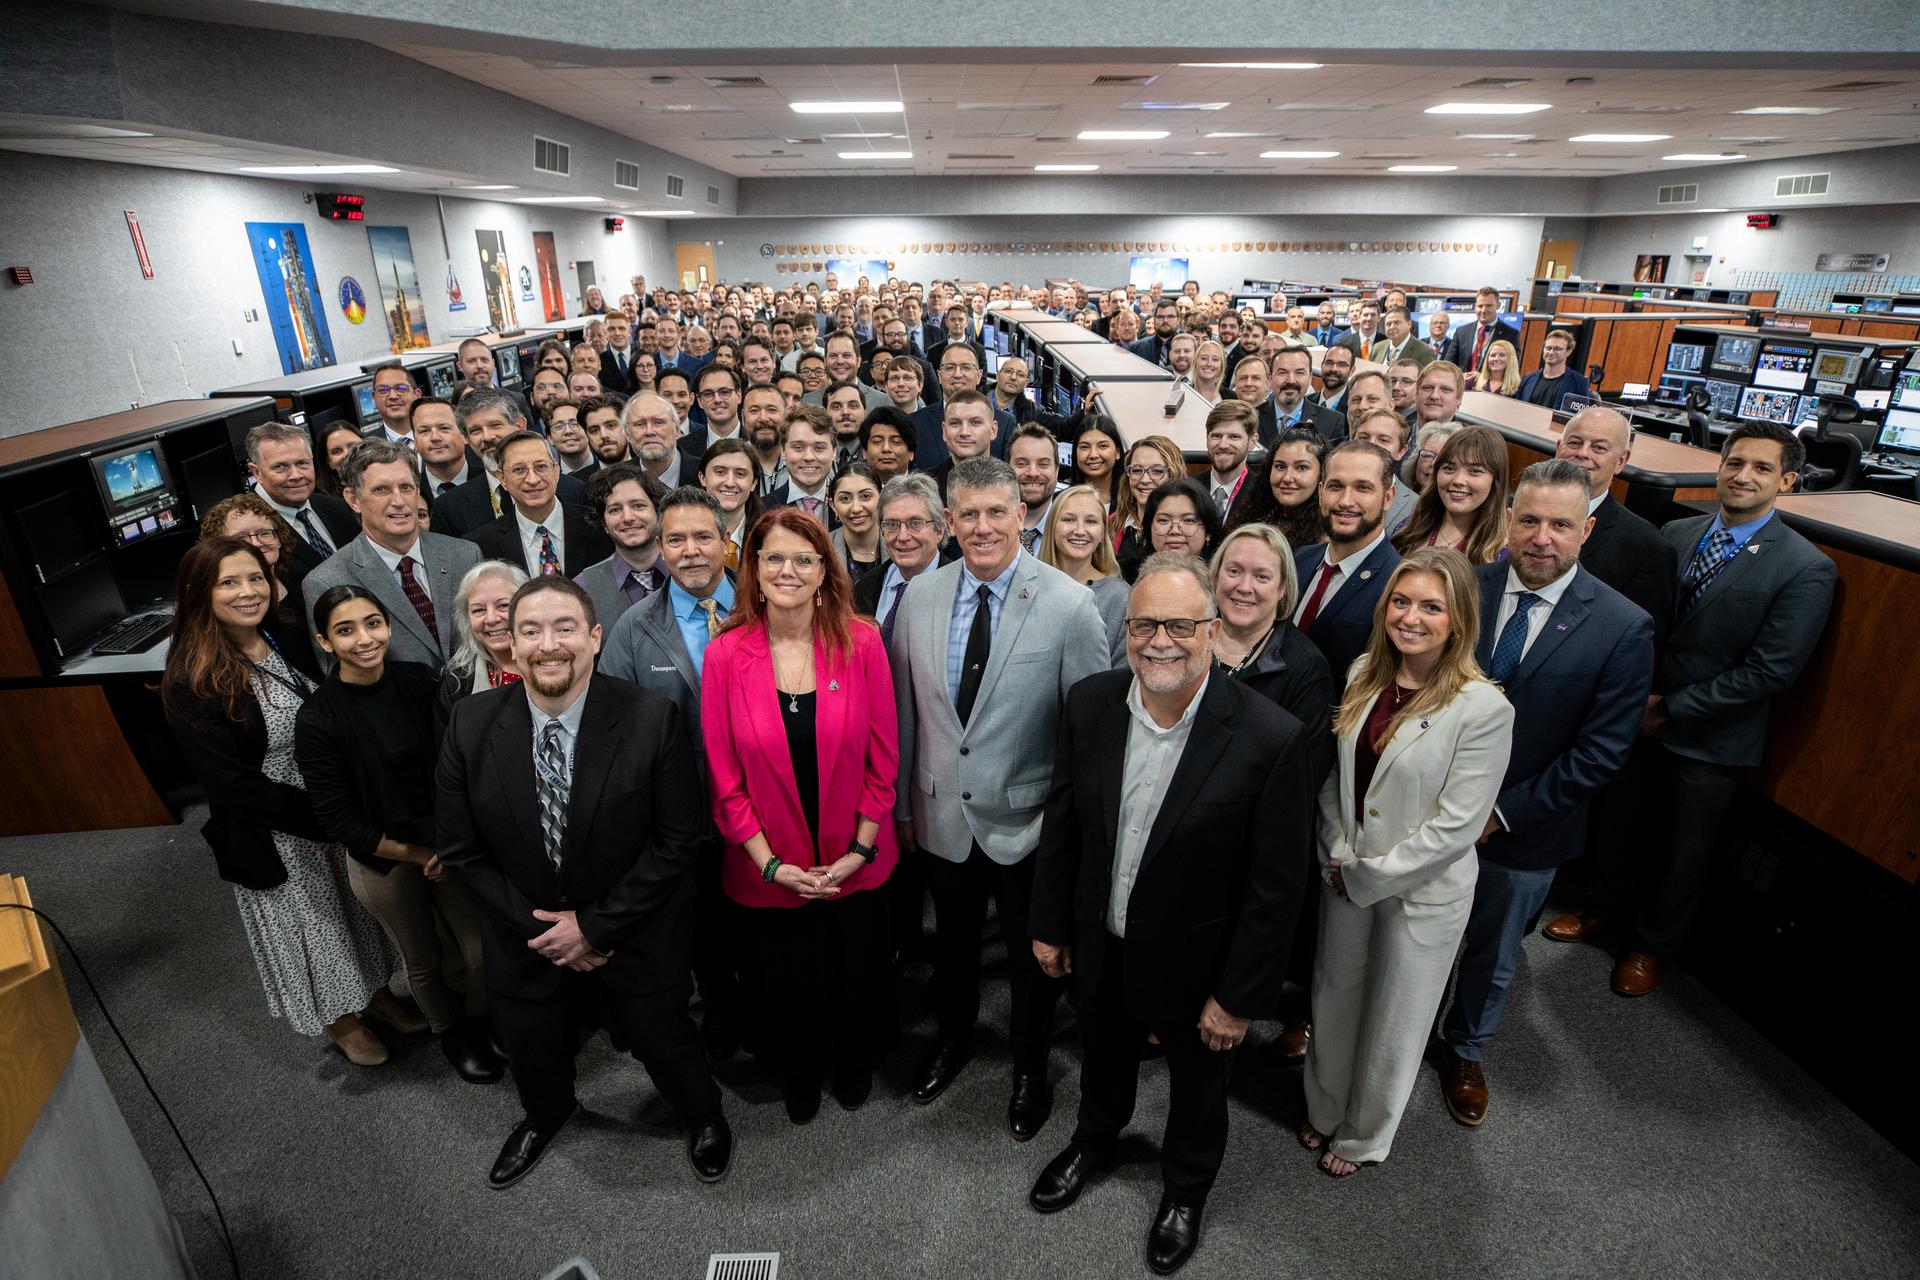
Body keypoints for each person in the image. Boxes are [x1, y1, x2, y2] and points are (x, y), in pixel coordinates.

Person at [1027, 552, 1313, 1276]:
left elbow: (1274, 891)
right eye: (1146, 624)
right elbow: (1063, 826)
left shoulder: (1270, 738)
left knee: (1197, 1089)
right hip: (1103, 941)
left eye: (1181, 625)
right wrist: (1050, 924)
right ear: (1125, 629)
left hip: (1199, 970)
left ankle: (1185, 1190)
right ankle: (1095, 1139)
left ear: (1213, 631)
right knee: (1104, 1056)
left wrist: (1240, 997)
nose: (1162, 640)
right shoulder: (1091, 703)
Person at [435, 577, 733, 1189]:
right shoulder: (469, 724)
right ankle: (547, 1116)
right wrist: (548, 934)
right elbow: (463, 853)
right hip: (528, 941)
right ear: (510, 646)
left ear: (595, 637)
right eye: (531, 631)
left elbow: (679, 840)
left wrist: (594, 927)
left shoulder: (651, 718)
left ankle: (703, 1116)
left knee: (667, 1042)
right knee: (532, 1050)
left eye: (565, 628)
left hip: (634, 935)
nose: (549, 645)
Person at [1545, 423, 1836, 996]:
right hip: (1637, 716)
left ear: (1788, 481)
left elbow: (1771, 670)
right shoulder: (1677, 532)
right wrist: (1636, 702)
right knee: (1621, 824)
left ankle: (1651, 947)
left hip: (1711, 736)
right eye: (1735, 463)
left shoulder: (1804, 566)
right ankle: (1603, 910)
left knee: (1685, 851)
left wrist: (1671, 708)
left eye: (1761, 468)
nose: (1743, 476)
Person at [889, 457, 1107, 1139]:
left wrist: (1077, 836)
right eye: (968, 515)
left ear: (1021, 515)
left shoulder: (1071, 605)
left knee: (1030, 961)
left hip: (1030, 825)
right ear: (947, 523)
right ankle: (953, 1038)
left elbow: (1089, 732)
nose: (982, 527)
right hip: (940, 816)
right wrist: (901, 806)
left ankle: (1029, 1069)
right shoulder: (920, 596)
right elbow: (904, 713)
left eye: (996, 512)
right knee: (951, 948)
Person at [1434, 460, 1655, 1124]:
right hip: (1433, 809)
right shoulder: (1462, 588)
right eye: (1528, 520)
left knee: (1493, 949)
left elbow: (1602, 752)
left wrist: (1501, 813)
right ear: (1507, 521)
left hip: (1527, 831)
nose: (1541, 537)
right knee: (1416, 937)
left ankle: (1465, 1050)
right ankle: (1399, 1033)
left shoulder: (1622, 626)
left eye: (1561, 524)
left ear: (1586, 530)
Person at [1300, 547, 1514, 1176]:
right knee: (1335, 997)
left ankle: (1365, 1136)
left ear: (1458, 620)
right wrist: (1337, 848)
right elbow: (1337, 781)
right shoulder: (1365, 670)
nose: (1410, 617)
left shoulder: (1483, 709)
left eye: (1430, 606)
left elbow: (1456, 826)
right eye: (1401, 601)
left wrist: (1367, 873)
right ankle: (1324, 1107)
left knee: (1395, 1019)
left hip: (1419, 891)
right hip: (1345, 871)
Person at [163, 538, 406, 1067]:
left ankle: (377, 996)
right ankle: (341, 1020)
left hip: (328, 805)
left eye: (254, 578)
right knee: (313, 926)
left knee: (354, 915)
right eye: (228, 582)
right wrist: (325, 821)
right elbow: (232, 786)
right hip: (275, 827)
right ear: (199, 593)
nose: (248, 592)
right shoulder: (194, 678)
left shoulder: (285, 633)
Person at [699, 510, 900, 1122]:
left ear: (824, 573)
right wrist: (771, 867)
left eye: (804, 559)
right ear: (753, 572)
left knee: (855, 972)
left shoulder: (861, 641)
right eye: (774, 559)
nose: (788, 570)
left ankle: (854, 1061)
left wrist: (858, 852)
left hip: (857, 859)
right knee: (785, 982)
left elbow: (883, 759)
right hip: (768, 869)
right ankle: (799, 1071)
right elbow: (725, 781)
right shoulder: (726, 656)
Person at [294, 584, 504, 1083]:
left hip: (444, 836)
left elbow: (453, 765)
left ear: (388, 627)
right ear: (324, 642)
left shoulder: (418, 680)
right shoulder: (318, 718)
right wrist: (419, 855)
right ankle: (446, 1029)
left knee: (477, 949)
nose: (364, 639)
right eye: (345, 630)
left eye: (373, 623)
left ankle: (477, 1019)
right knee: (423, 958)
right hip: (380, 851)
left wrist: (451, 842)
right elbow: (340, 821)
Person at [597, 485, 744, 1057]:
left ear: (725, 541)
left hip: (764, 807)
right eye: (675, 539)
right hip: (687, 819)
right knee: (706, 929)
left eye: (703, 536)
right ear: (660, 547)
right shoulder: (634, 629)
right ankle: (723, 1012)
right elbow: (617, 737)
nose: (690, 551)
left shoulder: (763, 608)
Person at [303, 440, 482, 673]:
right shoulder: (326, 581)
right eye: (382, 490)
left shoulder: (465, 555)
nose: (398, 501)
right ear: (353, 499)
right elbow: (342, 679)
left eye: (406, 487)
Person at [1554, 406, 1678, 646]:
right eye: (1575, 442)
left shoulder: (1648, 549)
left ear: (1621, 461)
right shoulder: (1513, 511)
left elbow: (1640, 646)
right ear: (1559, 447)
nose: (1583, 453)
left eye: (1599, 447)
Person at [1293, 441, 1403, 683]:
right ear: (1321, 492)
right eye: (1335, 486)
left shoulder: (1397, 582)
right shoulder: (1300, 558)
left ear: (1388, 497)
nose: (1345, 500)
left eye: (1362, 488)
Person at [198, 493, 323, 682]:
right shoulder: (232, 605)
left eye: (264, 533)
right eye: (242, 537)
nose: (256, 543)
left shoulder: (305, 579)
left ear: (279, 539)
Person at [466, 433, 612, 579]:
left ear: (556, 471)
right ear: (502, 478)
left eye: (541, 466)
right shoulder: (481, 545)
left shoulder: (598, 524)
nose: (532, 479)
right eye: (519, 470)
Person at [246, 422, 360, 580]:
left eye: (302, 463)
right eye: (280, 467)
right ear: (256, 472)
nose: (296, 475)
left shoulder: (338, 507)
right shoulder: (244, 530)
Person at [1037, 483, 1128, 665]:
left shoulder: (1121, 597)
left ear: (1103, 532)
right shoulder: (1028, 588)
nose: (1079, 530)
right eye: (1069, 519)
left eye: (1091, 521)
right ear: (1052, 527)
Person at [1390, 425, 1510, 563]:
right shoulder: (1408, 529)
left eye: (1474, 471)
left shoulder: (1502, 552)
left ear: (1496, 479)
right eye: (1449, 468)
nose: (1458, 480)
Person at [574, 462, 668, 627]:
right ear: (604, 524)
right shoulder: (582, 589)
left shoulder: (688, 571)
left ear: (658, 512)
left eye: (638, 505)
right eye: (615, 510)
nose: (628, 517)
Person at [437, 560, 529, 726]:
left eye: (503, 605)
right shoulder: (456, 685)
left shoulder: (554, 664)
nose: (492, 619)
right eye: (479, 610)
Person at [1224, 429, 1328, 552]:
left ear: (1322, 474)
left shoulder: (1327, 536)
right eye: (1280, 466)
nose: (1287, 478)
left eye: (1301, 467)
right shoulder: (1251, 516)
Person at [1112, 436, 1184, 580]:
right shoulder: (1109, 525)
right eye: (1137, 470)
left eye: (1157, 471)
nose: (1145, 480)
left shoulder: (1185, 530)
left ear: (1173, 474)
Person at [699, 438, 764, 571]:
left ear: (754, 483)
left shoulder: (768, 534)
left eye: (740, 474)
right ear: (703, 478)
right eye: (720, 472)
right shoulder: (685, 533)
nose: (730, 482)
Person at [1141, 478, 1223, 572]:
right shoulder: (1128, 581)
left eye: (1188, 520)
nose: (1175, 531)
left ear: (1208, 532)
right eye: (1163, 520)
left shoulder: (1222, 581)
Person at [1442, 289, 1521, 374]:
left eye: (1488, 306)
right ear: (1475, 306)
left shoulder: (1511, 334)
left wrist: (1482, 377)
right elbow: (1448, 364)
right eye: (1480, 306)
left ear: (1498, 305)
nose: (1483, 310)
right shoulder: (1461, 332)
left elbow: (1512, 368)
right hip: (1462, 384)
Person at [829, 462, 886, 575]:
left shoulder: (899, 543)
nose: (856, 508)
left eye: (866, 496)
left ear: (882, 498)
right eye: (845, 498)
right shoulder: (821, 549)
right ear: (833, 506)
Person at [1517, 329, 1593, 411]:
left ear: (1568, 351)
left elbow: (1582, 415)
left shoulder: (1580, 382)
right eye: (1548, 348)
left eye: (1557, 349)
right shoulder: (1528, 379)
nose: (1551, 352)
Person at [1201, 401, 1255, 517]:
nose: (1223, 445)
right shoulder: (1187, 489)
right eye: (1216, 436)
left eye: (1234, 437)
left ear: (1252, 442)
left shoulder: (1263, 493)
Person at [1073, 418, 1126, 511]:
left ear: (1117, 452)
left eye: (1103, 446)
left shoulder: (1132, 502)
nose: (1093, 455)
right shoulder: (1060, 502)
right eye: (1085, 447)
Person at [859, 406, 917, 484]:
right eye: (877, 441)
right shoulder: (852, 491)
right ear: (864, 452)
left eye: (896, 442)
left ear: (911, 453)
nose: (886, 448)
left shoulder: (926, 493)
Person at [1189, 339, 1227, 404]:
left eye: (1215, 359)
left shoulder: (1232, 397)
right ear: (1195, 362)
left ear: (1222, 366)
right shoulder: (1183, 395)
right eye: (1204, 358)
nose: (1209, 364)